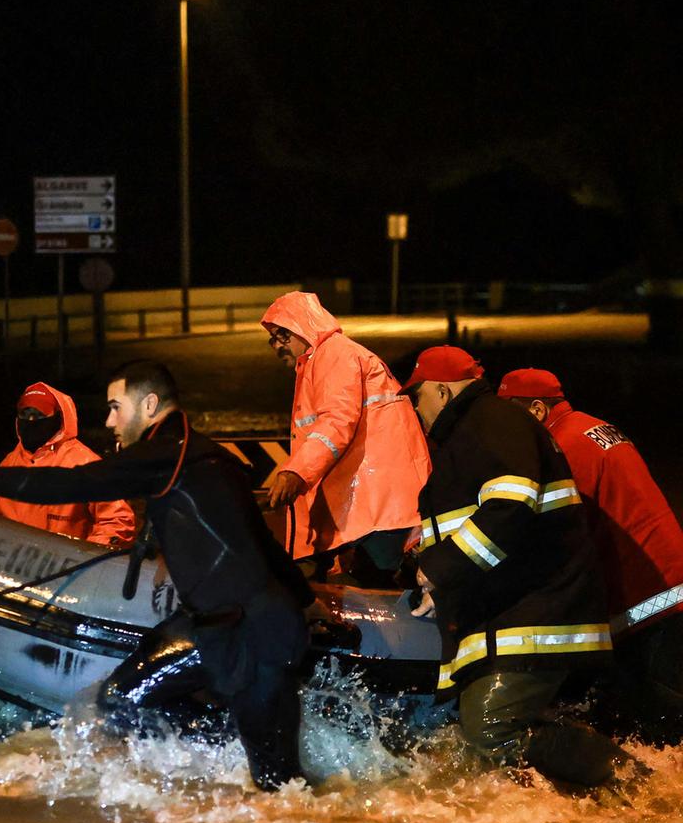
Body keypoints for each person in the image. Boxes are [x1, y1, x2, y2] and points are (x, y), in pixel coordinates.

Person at [0, 359, 321, 792]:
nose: (109, 421)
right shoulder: (207, 454)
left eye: (116, 407)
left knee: (281, 789)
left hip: (249, 634)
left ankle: (216, 777)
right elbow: (262, 543)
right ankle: (207, 773)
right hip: (214, 624)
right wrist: (308, 601)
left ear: (150, 404)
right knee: (119, 699)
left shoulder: (166, 454)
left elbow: (72, 484)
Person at [402, 345, 634, 790]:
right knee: (478, 736)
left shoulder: (489, 424)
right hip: (517, 612)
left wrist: (440, 571)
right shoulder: (482, 430)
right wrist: (439, 589)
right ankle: (590, 810)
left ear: (444, 392)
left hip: (534, 614)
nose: (416, 408)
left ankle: (637, 786)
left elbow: (509, 508)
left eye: (419, 396)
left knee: (491, 728)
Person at [498, 367, 683, 741]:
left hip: (649, 599)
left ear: (535, 410)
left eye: (508, 419)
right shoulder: (591, 427)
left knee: (660, 716)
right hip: (667, 578)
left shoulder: (563, 447)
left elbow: (558, 535)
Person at [260, 291, 430, 582]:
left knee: (380, 588)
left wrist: (295, 472)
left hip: (378, 505)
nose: (277, 347)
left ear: (300, 329)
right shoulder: (327, 358)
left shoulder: (334, 355)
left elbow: (336, 421)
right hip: (378, 502)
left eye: (281, 336)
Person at [0, 382, 135, 547]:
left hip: (66, 569)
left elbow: (118, 521)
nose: (31, 420)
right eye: (25, 413)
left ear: (59, 418)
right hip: (15, 566)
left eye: (40, 414)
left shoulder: (84, 463)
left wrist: (83, 557)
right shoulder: (8, 464)